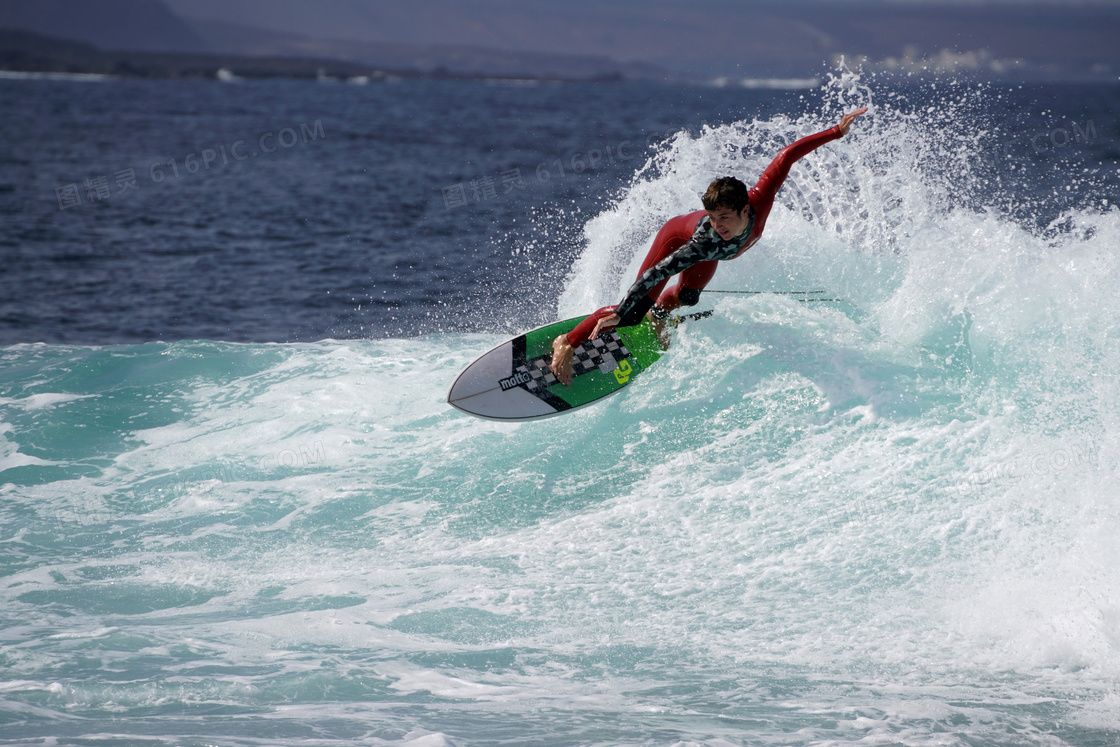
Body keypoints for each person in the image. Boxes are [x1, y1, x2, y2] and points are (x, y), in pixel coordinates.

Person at [549, 106, 868, 385]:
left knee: (687, 296)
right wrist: (622, 311)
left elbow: (786, 156)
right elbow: (660, 271)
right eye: (713, 217)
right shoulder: (707, 240)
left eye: (725, 218)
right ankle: (568, 341)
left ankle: (658, 315)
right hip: (675, 238)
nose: (718, 226)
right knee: (632, 313)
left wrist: (835, 132)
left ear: (745, 210)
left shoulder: (760, 197)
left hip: (713, 253)